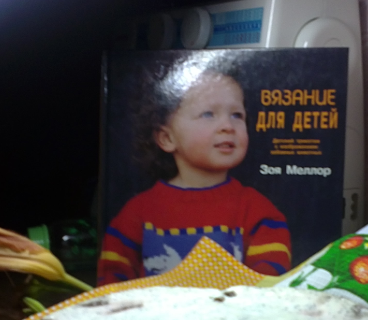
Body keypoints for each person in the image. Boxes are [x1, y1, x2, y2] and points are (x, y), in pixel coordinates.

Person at [97, 55, 291, 286]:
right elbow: (111, 285)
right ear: (167, 138)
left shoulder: (259, 212)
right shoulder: (136, 214)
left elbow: (269, 285)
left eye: (237, 115)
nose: (227, 126)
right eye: (208, 114)